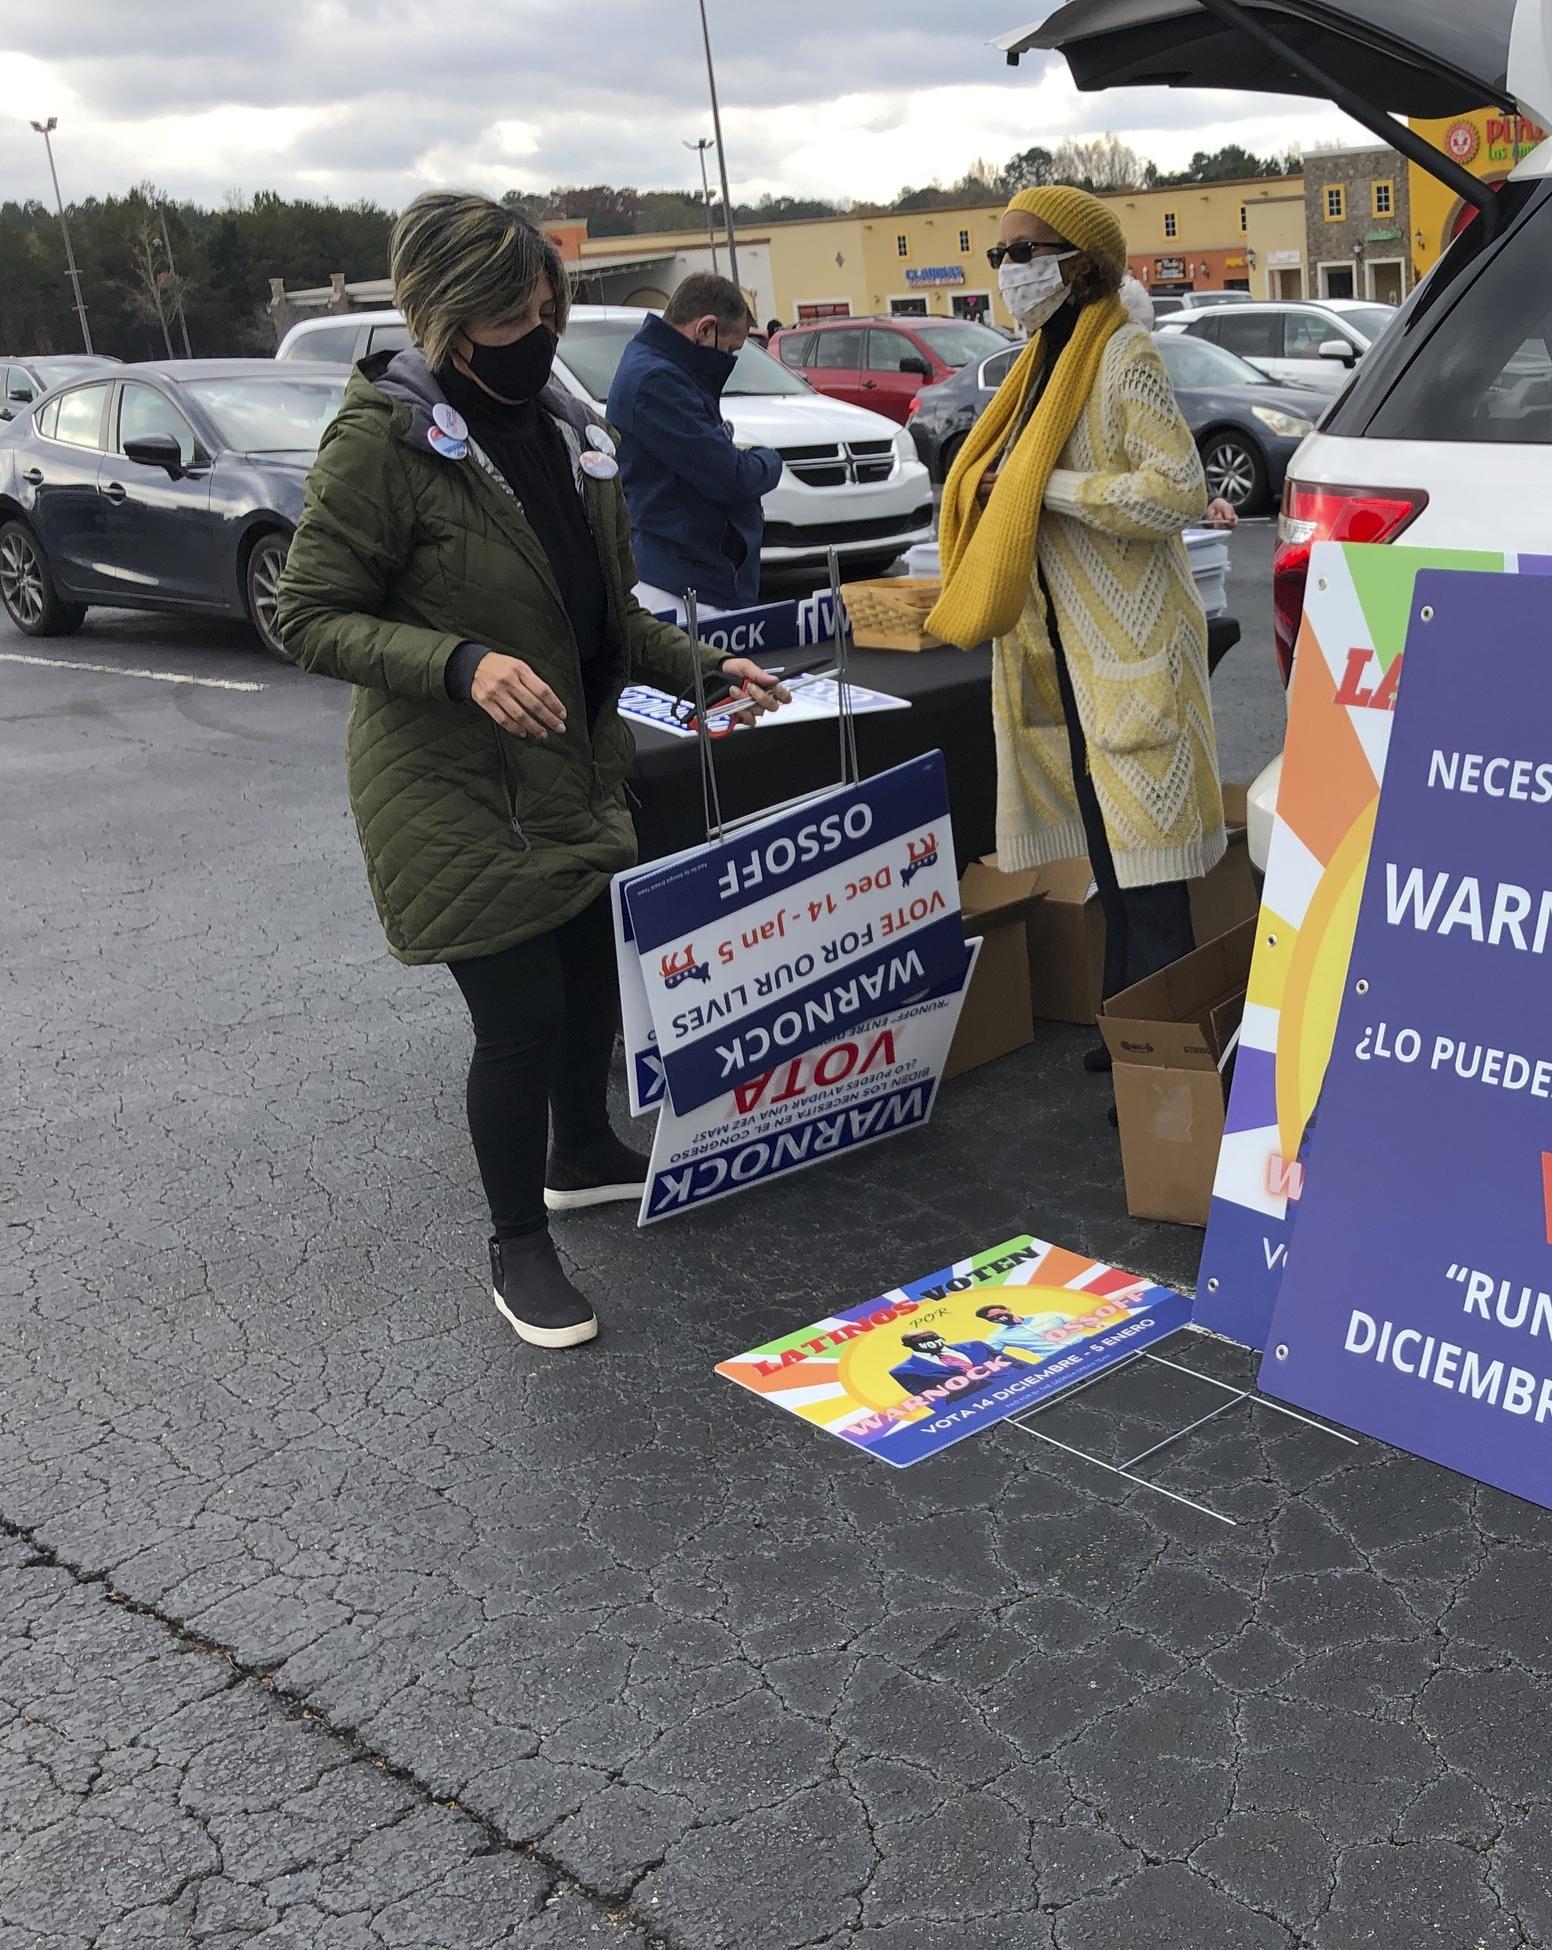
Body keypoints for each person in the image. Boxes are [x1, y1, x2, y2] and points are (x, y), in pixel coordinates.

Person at [275, 191, 790, 1350]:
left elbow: (598, 611)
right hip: (451, 785)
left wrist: (704, 666)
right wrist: (457, 664)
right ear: (447, 320)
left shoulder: (562, 421)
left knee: (588, 985)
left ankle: (581, 1153)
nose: (540, 327)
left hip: (566, 763)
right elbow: (307, 614)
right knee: (516, 1019)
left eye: (545, 302)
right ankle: (518, 1244)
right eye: (514, 312)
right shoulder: (381, 439)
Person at [926, 184, 1243, 1017]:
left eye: (1025, 251)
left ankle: (1163, 1041)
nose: (1008, 269)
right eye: (1000, 254)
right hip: (1065, 644)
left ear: (1080, 260)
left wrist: (1044, 487)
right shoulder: (1038, 364)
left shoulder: (1120, 355)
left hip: (1131, 643)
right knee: (1109, 855)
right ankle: (1123, 1020)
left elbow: (1177, 492)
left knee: (1151, 871)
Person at [606, 272, 783, 611]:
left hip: (688, 570)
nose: (729, 360)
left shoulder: (664, 369)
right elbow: (730, 477)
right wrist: (768, 460)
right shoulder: (658, 380)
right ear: (705, 328)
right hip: (683, 578)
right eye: (730, 349)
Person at [887, 1329, 1008, 1395]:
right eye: (920, 1339)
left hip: (1011, 1384)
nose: (928, 1340)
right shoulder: (902, 1371)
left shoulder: (975, 1345)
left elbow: (1014, 1363)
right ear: (907, 1344)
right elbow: (928, 1398)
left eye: (931, 1336)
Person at [975, 1301, 1081, 1358]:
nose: (998, 1318)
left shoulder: (1048, 1315)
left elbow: (1082, 1322)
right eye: (992, 1318)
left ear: (1007, 1310)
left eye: (999, 1314)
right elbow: (987, 1353)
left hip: (1084, 1343)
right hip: (1059, 1358)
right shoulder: (998, 1336)